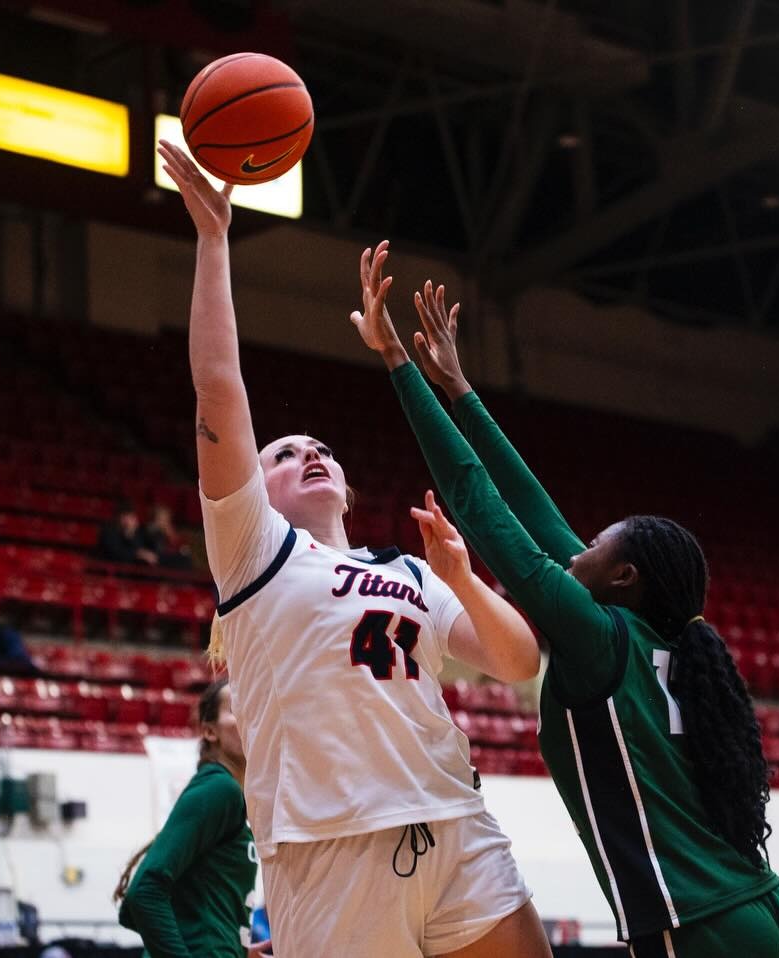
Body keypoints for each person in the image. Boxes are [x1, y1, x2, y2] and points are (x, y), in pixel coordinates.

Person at [350, 246, 779, 958]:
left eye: (593, 542)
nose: (576, 546)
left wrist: (397, 363)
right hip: (770, 909)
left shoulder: (599, 639)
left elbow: (478, 503)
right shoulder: (658, 643)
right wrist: (461, 389)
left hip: (698, 926)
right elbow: (535, 506)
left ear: (623, 577)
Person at [157, 140, 550, 958]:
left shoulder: (410, 570)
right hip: (329, 848)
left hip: (452, 819)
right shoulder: (255, 552)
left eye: (322, 449)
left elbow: (519, 662)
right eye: (283, 452)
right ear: (255, 489)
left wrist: (463, 578)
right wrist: (215, 240)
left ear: (346, 483)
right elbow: (218, 386)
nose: (309, 452)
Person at [117, 679, 268, 958]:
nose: (251, 716)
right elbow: (144, 892)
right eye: (237, 708)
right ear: (210, 731)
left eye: (256, 706)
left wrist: (237, 950)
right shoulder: (219, 788)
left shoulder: (233, 794)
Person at [140, 504, 192, 570]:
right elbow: (156, 550)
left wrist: (171, 535)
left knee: (185, 558)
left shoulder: (170, 532)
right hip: (157, 560)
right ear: (155, 519)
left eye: (167, 519)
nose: (165, 522)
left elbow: (180, 547)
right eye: (162, 519)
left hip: (169, 559)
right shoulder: (149, 531)